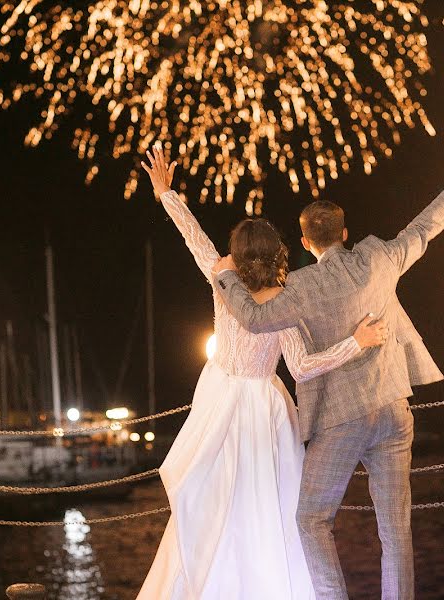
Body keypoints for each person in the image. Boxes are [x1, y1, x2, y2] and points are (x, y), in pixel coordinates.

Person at [212, 147, 444, 600]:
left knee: (312, 519)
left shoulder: (300, 287)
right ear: (345, 233)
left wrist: (225, 278)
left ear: (305, 243)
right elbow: (423, 229)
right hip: (394, 410)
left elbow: (254, 320)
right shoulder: (379, 257)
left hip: (341, 421)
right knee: (395, 528)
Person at [136, 144, 389, 600]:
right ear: (278, 254)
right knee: (265, 503)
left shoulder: (221, 275)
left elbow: (192, 235)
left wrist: (166, 193)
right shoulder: (284, 297)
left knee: (215, 500)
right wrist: (357, 342)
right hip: (263, 405)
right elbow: (304, 367)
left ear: (236, 253)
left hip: (218, 395)